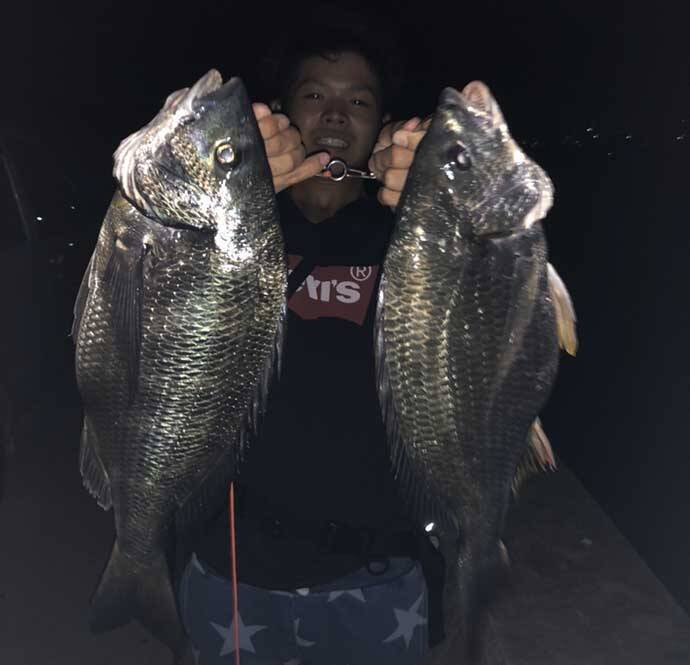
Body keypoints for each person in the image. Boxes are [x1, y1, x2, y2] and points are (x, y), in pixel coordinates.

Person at [176, 14, 446, 665]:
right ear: (281, 115)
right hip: (232, 563)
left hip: (379, 575)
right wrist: (211, 181)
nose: (334, 115)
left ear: (383, 127)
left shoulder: (407, 237)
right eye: (315, 94)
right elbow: (151, 307)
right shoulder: (229, 230)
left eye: (359, 101)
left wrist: (436, 196)